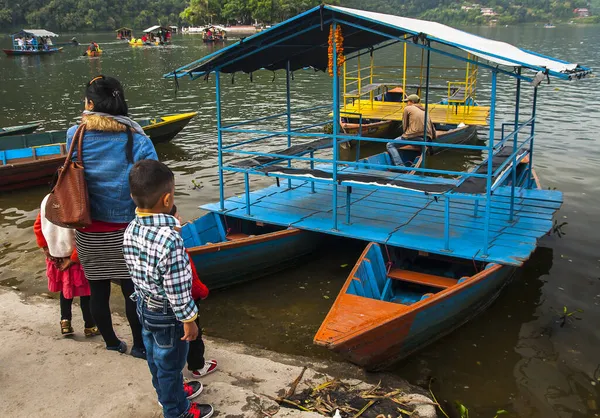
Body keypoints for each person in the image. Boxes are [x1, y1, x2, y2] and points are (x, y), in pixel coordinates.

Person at [66, 75, 158, 359]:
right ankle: (140, 346)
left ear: (91, 103)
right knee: (132, 290)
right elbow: (155, 179)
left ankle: (111, 342)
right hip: (126, 228)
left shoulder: (75, 134)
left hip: (88, 225)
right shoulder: (137, 137)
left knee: (97, 289)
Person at [123, 160, 214, 418]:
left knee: (155, 359)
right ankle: (177, 411)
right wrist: (189, 320)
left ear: (133, 196)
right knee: (171, 365)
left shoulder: (130, 228)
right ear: (167, 200)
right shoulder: (171, 239)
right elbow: (178, 288)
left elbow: (137, 266)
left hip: (143, 304)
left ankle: (167, 396)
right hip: (168, 314)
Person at [33, 179, 99, 338]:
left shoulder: (47, 201)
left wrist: (45, 248)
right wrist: (73, 258)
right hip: (74, 259)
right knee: (85, 293)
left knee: (65, 292)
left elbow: (38, 227)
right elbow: (83, 234)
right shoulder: (76, 204)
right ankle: (89, 326)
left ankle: (65, 322)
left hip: (55, 256)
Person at [170, 205, 218, 379]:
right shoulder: (178, 250)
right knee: (193, 333)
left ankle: (176, 368)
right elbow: (193, 283)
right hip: (188, 303)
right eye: (177, 216)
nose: (181, 219)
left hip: (166, 306)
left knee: (173, 337)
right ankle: (197, 366)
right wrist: (204, 292)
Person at [386, 94, 437, 166]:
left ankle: (399, 165)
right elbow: (432, 127)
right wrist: (432, 139)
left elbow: (405, 125)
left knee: (390, 145)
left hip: (413, 136)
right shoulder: (425, 111)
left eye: (407, 101)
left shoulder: (408, 108)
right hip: (426, 139)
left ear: (412, 102)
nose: (407, 103)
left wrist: (404, 136)